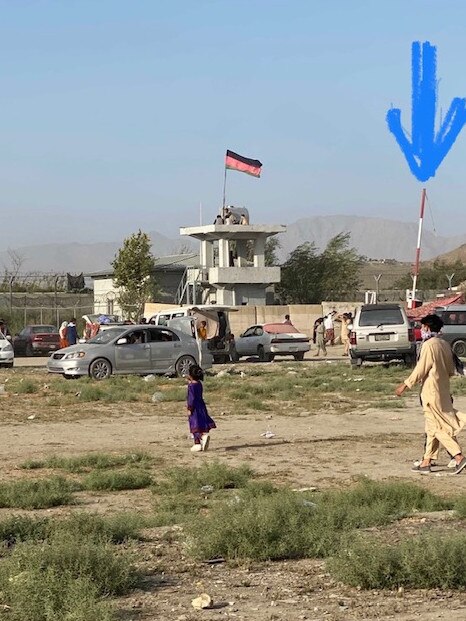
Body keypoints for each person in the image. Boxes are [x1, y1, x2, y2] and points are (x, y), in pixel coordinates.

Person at [395, 313, 466, 475]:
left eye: (422, 327)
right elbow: (451, 370)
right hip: (443, 389)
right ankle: (427, 461)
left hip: (430, 392)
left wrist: (405, 385)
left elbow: (421, 369)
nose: (422, 329)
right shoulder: (444, 344)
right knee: (432, 426)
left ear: (427, 327)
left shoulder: (429, 345)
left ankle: (458, 456)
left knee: (435, 427)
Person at [186, 364, 216, 453]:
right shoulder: (198, 384)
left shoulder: (191, 386)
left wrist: (190, 408)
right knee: (200, 423)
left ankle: (201, 438)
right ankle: (197, 443)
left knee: (194, 425)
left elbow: (191, 398)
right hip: (201, 406)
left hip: (194, 408)